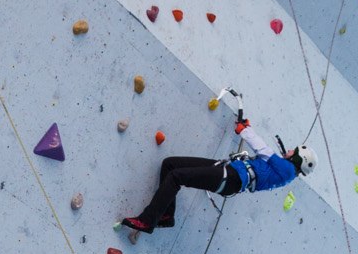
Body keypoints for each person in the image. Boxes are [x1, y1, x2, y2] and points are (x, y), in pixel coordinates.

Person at [122, 96, 315, 234]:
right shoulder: (283, 169)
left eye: (293, 152)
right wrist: (247, 128)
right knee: (170, 165)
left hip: (231, 178)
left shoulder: (288, 170)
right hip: (229, 171)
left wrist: (244, 131)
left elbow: (263, 149)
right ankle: (166, 216)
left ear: (298, 160)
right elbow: (265, 155)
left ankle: (147, 221)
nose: (289, 150)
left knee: (176, 177)